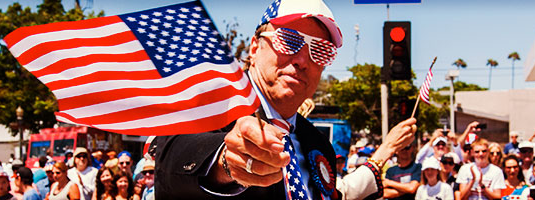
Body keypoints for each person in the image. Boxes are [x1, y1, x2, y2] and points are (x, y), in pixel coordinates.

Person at [151, 0, 418, 199]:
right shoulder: (208, 105)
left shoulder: (318, 143)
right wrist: (225, 163)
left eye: (320, 50)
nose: (302, 60)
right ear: (255, 47)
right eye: (289, 40)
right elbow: (171, 161)